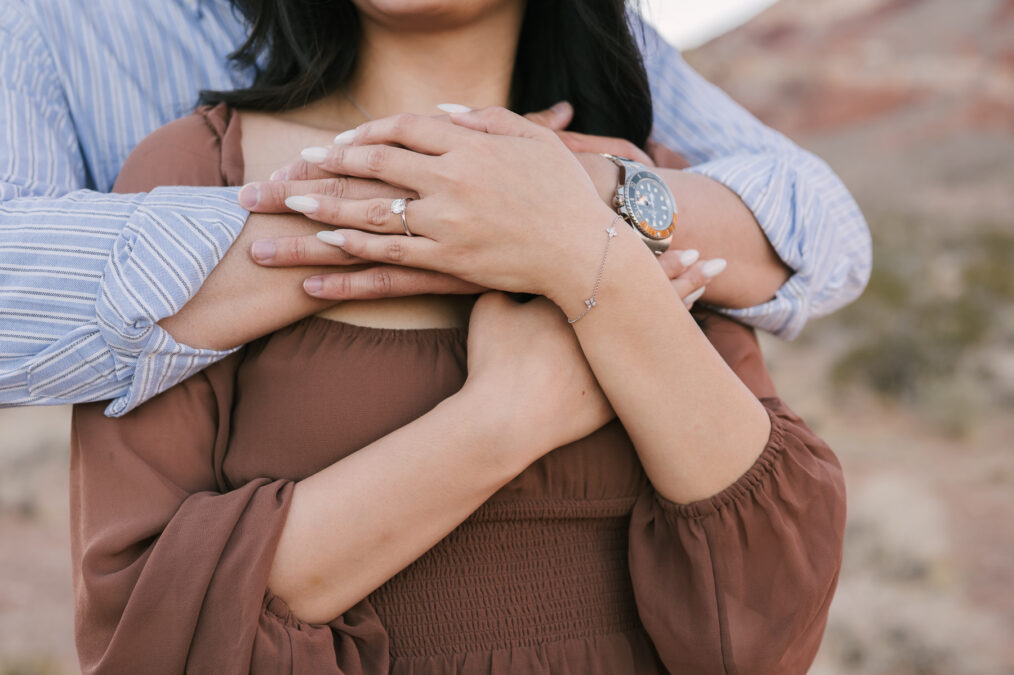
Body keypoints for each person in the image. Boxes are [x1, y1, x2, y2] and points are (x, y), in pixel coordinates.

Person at [69, 1, 846, 673]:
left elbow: (764, 627)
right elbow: (147, 628)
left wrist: (584, 255)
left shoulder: (640, 185)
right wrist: (506, 418)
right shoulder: (198, 171)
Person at [0, 0, 870, 417]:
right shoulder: (55, 22)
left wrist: (577, 198)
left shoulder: (571, 25)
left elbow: (824, 233)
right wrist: (407, 210)